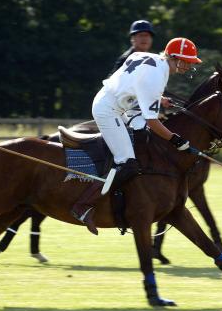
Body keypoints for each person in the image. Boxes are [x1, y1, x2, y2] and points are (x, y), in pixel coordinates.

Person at [71, 37, 202, 235]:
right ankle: (84, 205)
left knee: (143, 139)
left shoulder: (151, 59)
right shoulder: (158, 75)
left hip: (119, 104)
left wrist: (157, 98)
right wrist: (177, 140)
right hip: (109, 110)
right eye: (188, 61)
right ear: (176, 58)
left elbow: (135, 81)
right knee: (126, 161)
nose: (190, 65)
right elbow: (153, 121)